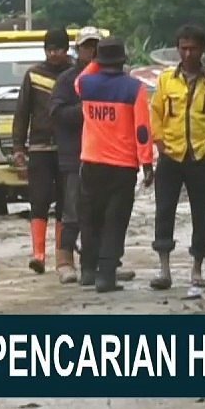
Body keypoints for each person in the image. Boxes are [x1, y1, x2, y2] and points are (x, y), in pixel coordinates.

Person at [149, 24, 205, 290]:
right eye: (183, 48)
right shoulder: (166, 79)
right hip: (170, 154)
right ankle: (164, 269)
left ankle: (197, 269)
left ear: (202, 50)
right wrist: (159, 142)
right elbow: (156, 113)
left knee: (200, 211)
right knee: (164, 210)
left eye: (192, 48)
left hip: (200, 154)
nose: (187, 54)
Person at [74, 37, 154, 292]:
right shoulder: (134, 88)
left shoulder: (85, 84)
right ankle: (106, 275)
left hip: (91, 160)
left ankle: (88, 270)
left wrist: (95, 62)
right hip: (122, 165)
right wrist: (147, 163)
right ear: (123, 60)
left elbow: (79, 79)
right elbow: (142, 129)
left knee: (90, 218)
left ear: (98, 59)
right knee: (114, 220)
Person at [47, 26, 110, 284]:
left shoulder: (111, 77)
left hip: (105, 155)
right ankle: (64, 261)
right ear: (78, 49)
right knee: (72, 211)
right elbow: (56, 113)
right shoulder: (66, 80)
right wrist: (86, 110)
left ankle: (104, 263)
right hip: (75, 155)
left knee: (103, 213)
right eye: (87, 46)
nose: (91, 51)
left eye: (96, 46)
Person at [11, 27, 74, 275]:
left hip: (68, 147)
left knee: (65, 202)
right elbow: (22, 112)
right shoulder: (34, 75)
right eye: (49, 49)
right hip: (39, 147)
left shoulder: (74, 74)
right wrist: (18, 147)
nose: (53, 54)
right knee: (38, 199)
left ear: (66, 49)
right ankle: (38, 254)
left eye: (58, 49)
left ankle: (62, 254)